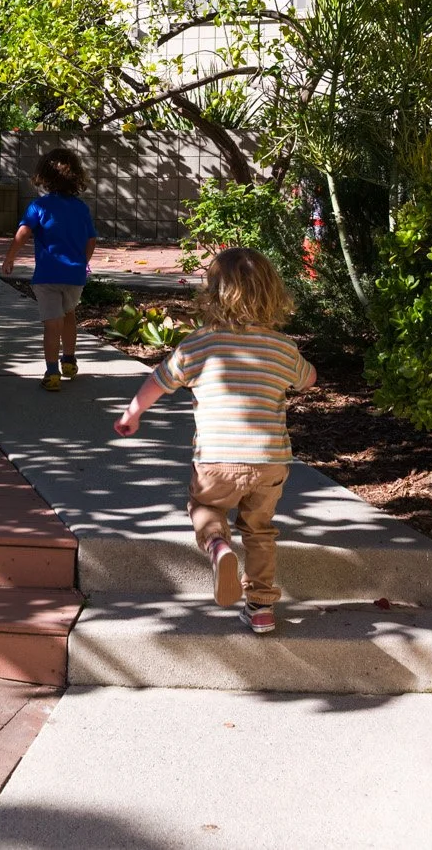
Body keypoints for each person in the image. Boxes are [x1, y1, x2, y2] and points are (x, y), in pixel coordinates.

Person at [113, 247, 315, 634]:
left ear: (214, 293)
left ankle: (217, 546)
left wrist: (132, 413)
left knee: (204, 504)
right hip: (270, 462)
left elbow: (159, 382)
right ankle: (260, 607)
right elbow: (309, 379)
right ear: (272, 294)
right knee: (259, 530)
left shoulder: (198, 345)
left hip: (217, 460)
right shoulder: (282, 347)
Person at [1, 147, 98, 392]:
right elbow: (91, 241)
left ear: (43, 176)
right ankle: (70, 360)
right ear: (76, 176)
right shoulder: (81, 208)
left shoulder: (39, 206)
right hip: (75, 276)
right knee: (70, 315)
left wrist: (10, 256)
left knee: (51, 324)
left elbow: (23, 233)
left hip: (47, 276)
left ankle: (52, 371)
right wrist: (82, 263)